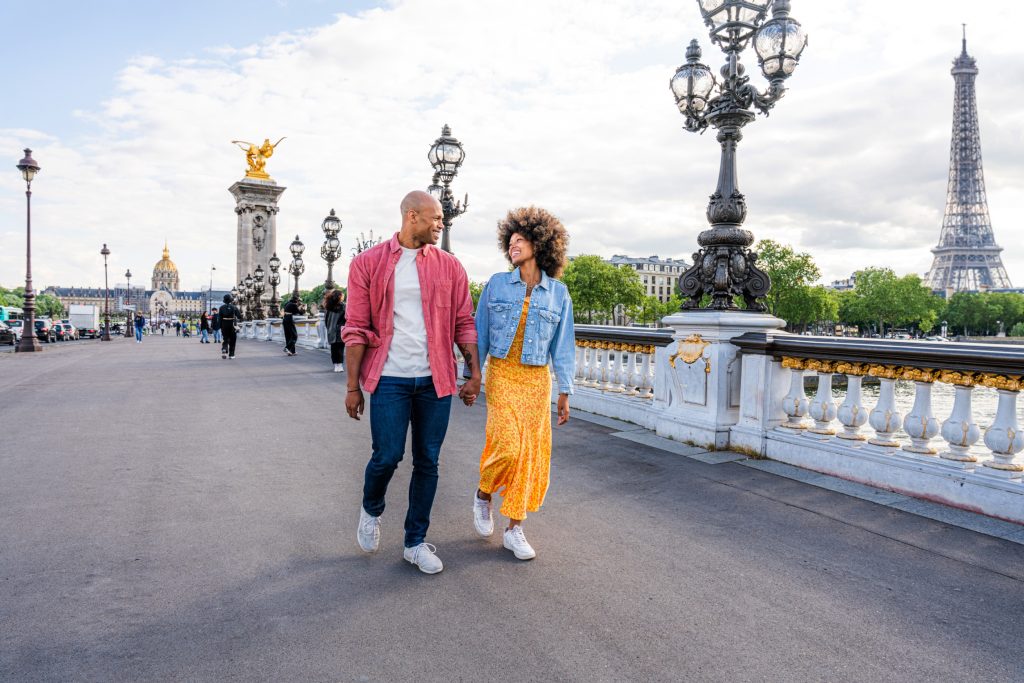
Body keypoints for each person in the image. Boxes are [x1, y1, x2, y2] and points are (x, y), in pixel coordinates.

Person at [343, 190, 480, 575]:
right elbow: (355, 328)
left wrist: (473, 373)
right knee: (387, 455)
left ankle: (415, 542)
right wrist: (352, 387)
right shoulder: (367, 263)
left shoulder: (450, 267)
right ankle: (371, 509)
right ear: (412, 216)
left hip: (436, 380)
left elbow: (464, 322)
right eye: (436, 218)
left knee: (428, 460)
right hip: (389, 378)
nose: (441, 224)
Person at [472, 206, 575, 561]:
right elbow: (480, 334)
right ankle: (483, 494)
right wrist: (472, 376)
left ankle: (514, 528)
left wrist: (565, 391)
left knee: (529, 456)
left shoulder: (559, 294)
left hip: (536, 380)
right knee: (507, 446)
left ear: (540, 243)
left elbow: (563, 346)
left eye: (520, 240)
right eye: (510, 241)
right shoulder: (497, 284)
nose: (513, 246)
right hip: (502, 373)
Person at [324, 288, 346, 372]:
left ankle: (336, 365)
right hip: (340, 329)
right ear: (339, 296)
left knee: (333, 349)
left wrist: (329, 328)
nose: (343, 297)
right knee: (340, 348)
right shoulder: (343, 306)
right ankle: (339, 365)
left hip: (331, 330)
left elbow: (326, 320)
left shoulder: (329, 306)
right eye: (342, 295)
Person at [218, 294, 242, 359]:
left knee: (225, 338)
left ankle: (224, 348)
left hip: (224, 324)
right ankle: (231, 355)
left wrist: (220, 326)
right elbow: (239, 316)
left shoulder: (221, 308)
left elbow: (219, 318)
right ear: (231, 300)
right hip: (232, 324)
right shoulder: (234, 307)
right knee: (233, 340)